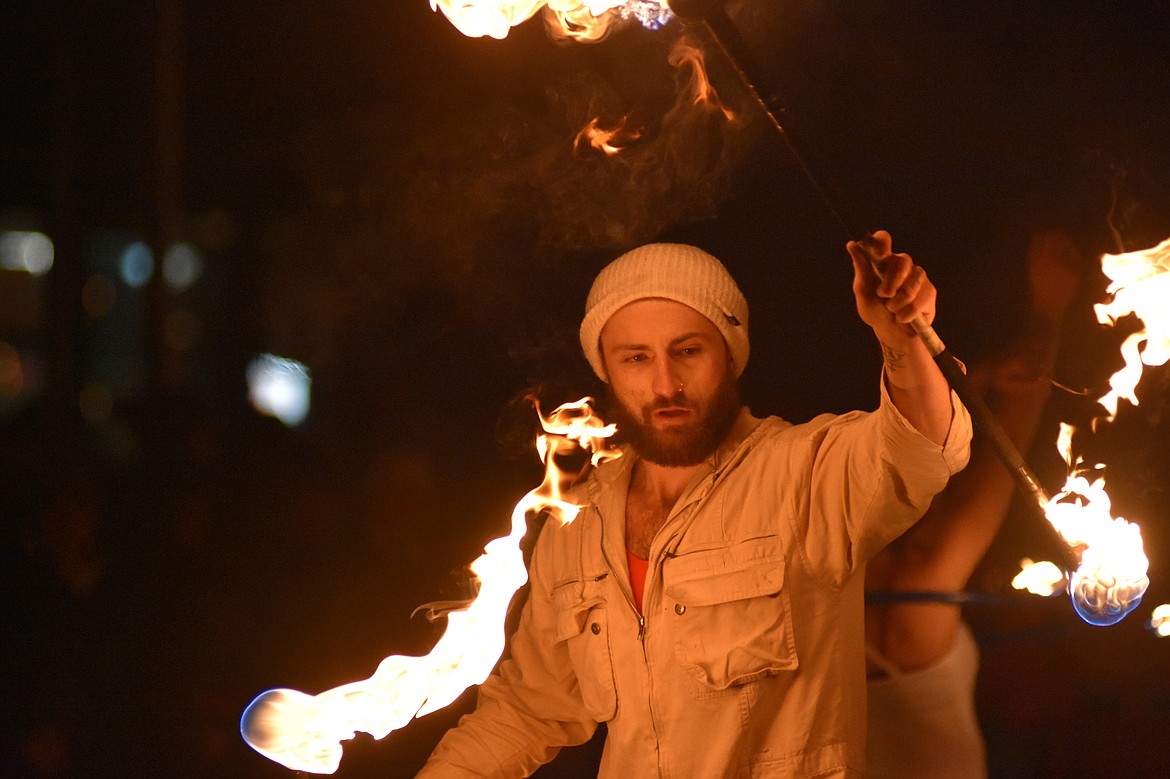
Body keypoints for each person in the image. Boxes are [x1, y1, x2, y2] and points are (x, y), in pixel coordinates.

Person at [418, 230, 973, 777]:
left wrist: (904, 343)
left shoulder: (803, 474)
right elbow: (527, 709)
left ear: (730, 356)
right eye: (636, 357)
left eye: (687, 351)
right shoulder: (576, 526)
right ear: (605, 370)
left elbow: (923, 448)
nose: (665, 384)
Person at [863, 230, 1084, 778]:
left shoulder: (848, 575)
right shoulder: (917, 595)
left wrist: (973, 381)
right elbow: (1003, 463)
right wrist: (1050, 313)